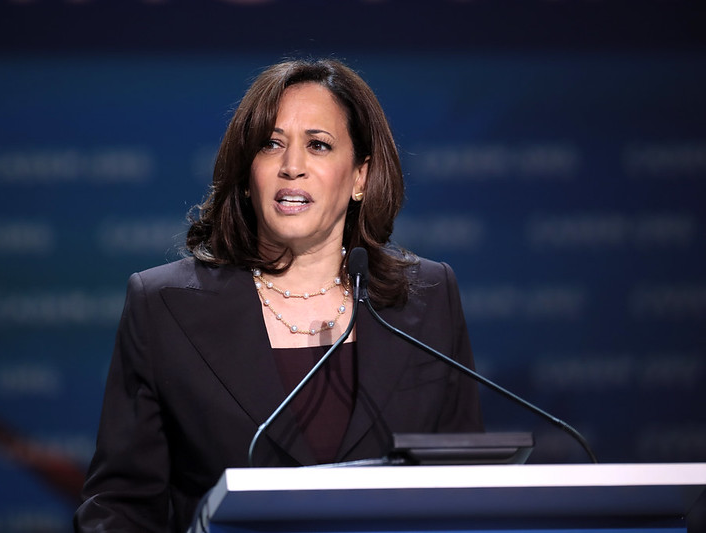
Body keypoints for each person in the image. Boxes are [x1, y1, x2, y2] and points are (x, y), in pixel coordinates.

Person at [74, 58, 483, 533]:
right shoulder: (165, 306)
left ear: (360, 177)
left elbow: (466, 489)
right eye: (272, 145)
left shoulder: (427, 299)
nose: (293, 167)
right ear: (249, 175)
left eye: (318, 145)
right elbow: (119, 508)